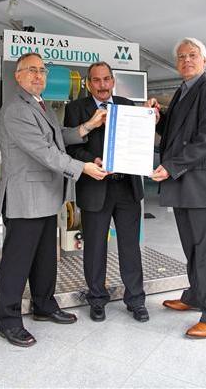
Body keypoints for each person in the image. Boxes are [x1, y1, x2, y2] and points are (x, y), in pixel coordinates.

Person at [0, 52, 108, 347]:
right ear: (17, 76)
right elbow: (44, 152)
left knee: (45, 258)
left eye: (42, 71)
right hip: (25, 198)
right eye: (31, 70)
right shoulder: (16, 109)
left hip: (45, 197)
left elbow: (56, 136)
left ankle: (43, 305)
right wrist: (81, 167)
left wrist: (87, 127)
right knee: (17, 263)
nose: (38, 76)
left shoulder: (39, 105)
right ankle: (8, 321)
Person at [149, 38, 206, 339]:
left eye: (192, 55)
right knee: (193, 249)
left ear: (205, 60)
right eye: (181, 56)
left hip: (204, 185)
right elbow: (176, 132)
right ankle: (196, 295)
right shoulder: (183, 91)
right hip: (186, 185)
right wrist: (158, 119)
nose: (186, 60)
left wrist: (171, 166)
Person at [63, 61, 149, 323]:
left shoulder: (127, 105)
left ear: (113, 81)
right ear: (89, 83)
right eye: (96, 80)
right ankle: (97, 300)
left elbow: (138, 140)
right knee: (95, 249)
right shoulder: (76, 109)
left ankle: (136, 300)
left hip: (127, 188)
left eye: (106, 79)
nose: (102, 85)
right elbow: (71, 149)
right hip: (95, 187)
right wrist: (92, 161)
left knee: (130, 247)